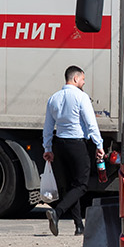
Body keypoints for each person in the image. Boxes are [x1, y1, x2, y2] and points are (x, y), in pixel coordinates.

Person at [42, 64, 104, 236]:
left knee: (71, 186)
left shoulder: (53, 98)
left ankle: (79, 226)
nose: (84, 82)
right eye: (83, 79)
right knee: (82, 185)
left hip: (59, 145)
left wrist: (48, 148)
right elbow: (91, 124)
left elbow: (48, 127)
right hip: (77, 145)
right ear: (75, 78)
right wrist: (99, 145)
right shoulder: (81, 97)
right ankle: (57, 212)